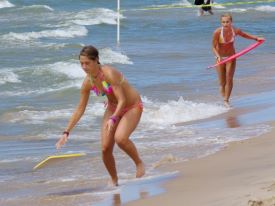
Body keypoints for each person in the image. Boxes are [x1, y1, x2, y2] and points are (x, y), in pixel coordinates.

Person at [55, 45, 145, 186]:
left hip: (131, 106)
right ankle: (114, 180)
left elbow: (122, 100)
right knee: (105, 148)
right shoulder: (88, 82)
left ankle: (139, 163)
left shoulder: (109, 73)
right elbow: (80, 109)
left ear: (96, 60)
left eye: (87, 63)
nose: (84, 67)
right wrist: (66, 132)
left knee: (120, 138)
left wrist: (113, 118)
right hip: (113, 107)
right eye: (81, 63)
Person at [212, 13, 264, 107]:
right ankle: (224, 98)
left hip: (231, 57)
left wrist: (256, 38)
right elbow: (213, 47)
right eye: (223, 22)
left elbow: (244, 35)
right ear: (221, 23)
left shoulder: (235, 30)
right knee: (222, 82)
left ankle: (226, 100)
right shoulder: (217, 32)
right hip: (220, 58)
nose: (225, 24)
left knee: (229, 79)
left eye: (227, 22)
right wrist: (217, 56)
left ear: (231, 22)